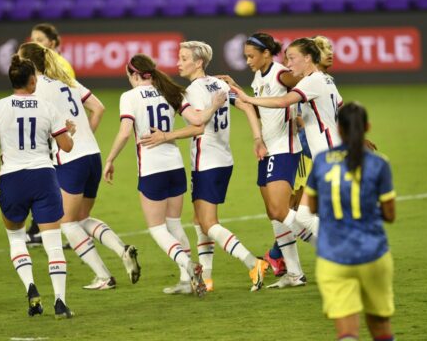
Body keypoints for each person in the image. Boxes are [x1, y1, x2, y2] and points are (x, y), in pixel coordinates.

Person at [139, 41, 269, 293]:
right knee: (199, 220)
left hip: (207, 162)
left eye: (184, 57)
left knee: (208, 223)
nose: (178, 62)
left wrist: (165, 136)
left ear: (198, 62)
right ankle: (206, 277)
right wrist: (256, 137)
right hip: (223, 160)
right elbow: (246, 105)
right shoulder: (219, 84)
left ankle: (253, 263)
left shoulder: (193, 91)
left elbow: (198, 126)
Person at [18, 42, 141, 290]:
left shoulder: (35, 90)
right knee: (81, 217)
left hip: (71, 160)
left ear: (29, 65)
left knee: (67, 222)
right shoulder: (67, 81)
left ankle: (104, 276)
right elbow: (98, 107)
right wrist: (83, 137)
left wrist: (67, 144)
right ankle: (122, 249)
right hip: (92, 155)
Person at [103, 53, 225, 297]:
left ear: (134, 74)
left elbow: (126, 132)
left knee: (157, 228)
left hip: (151, 169)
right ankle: (184, 280)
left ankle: (188, 265)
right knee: (174, 224)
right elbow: (198, 122)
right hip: (175, 166)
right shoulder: (169, 91)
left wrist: (110, 159)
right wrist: (214, 104)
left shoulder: (129, 97)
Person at [231, 37, 344, 273]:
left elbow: (284, 101)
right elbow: (336, 112)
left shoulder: (311, 81)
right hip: (330, 157)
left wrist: (247, 99)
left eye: (292, 58)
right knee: (303, 215)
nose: (288, 63)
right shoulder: (327, 81)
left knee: (301, 215)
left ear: (308, 58)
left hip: (328, 157)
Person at [0, 55, 74, 319]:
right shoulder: (47, 107)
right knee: (53, 244)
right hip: (43, 176)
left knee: (17, 238)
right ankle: (60, 302)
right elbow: (66, 146)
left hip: (12, 178)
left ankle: (31, 288)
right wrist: (69, 130)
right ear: (32, 80)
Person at [218, 33, 309, 289]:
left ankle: (326, 242)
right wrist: (237, 89)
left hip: (284, 149)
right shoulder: (260, 76)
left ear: (267, 54)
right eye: (246, 56)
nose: (247, 61)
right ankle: (294, 273)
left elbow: (302, 81)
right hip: (267, 150)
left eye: (251, 56)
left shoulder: (280, 73)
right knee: (274, 214)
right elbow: (261, 109)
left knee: (281, 210)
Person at [305, 102, 396, 341]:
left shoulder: (322, 161)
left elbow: (313, 208)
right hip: (373, 253)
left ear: (339, 130)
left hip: (333, 256)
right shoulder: (379, 163)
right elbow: (390, 215)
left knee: (346, 333)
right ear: (367, 127)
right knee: (381, 328)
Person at [26, 23, 75, 246]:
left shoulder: (58, 67)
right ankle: (40, 227)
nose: (35, 42)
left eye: (40, 39)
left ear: (52, 43)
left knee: (50, 180)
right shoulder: (52, 66)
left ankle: (46, 227)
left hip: (56, 132)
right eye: (33, 38)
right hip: (57, 131)